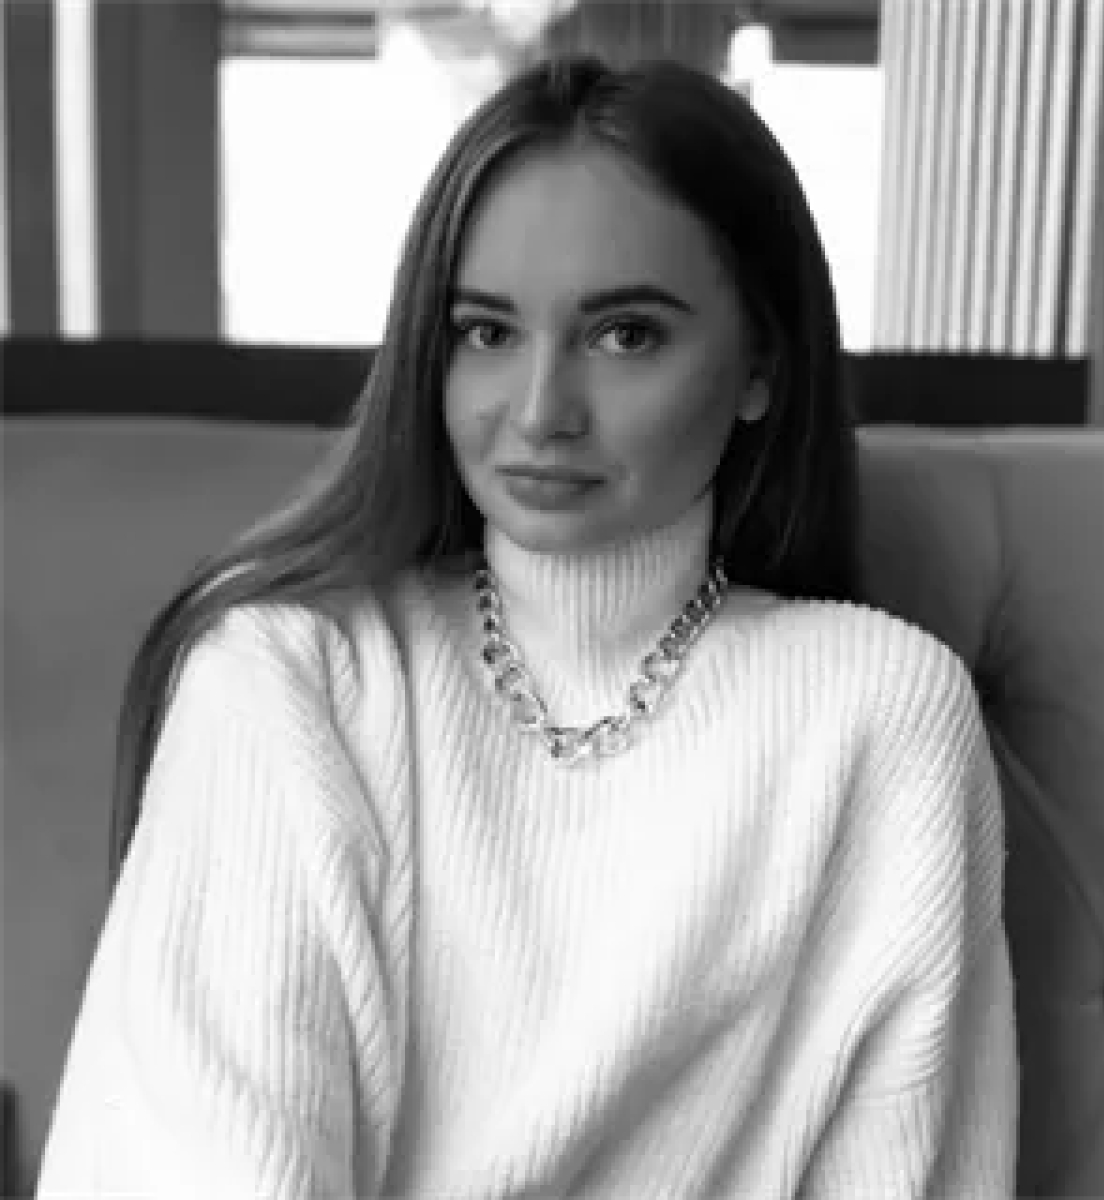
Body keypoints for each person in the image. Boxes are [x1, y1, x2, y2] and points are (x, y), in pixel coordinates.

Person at [37, 51, 1018, 1198]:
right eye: (487, 332)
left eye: (626, 334)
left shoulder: (881, 710)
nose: (543, 412)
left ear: (762, 364)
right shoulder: (290, 674)